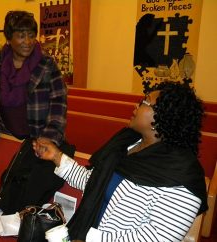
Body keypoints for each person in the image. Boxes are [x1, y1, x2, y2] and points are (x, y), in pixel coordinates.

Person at [33, 81, 208, 242]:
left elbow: (157, 237)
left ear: (161, 116)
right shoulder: (128, 144)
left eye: (144, 102)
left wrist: (93, 240)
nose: (136, 106)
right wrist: (56, 156)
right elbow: (93, 182)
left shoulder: (182, 174)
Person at [0, 10, 71, 232]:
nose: (28, 41)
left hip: (38, 139)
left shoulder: (46, 64)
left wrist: (50, 137)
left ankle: (22, 223)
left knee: (29, 192)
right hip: (8, 137)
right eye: (21, 35)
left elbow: (59, 102)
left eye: (31, 35)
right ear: (9, 38)